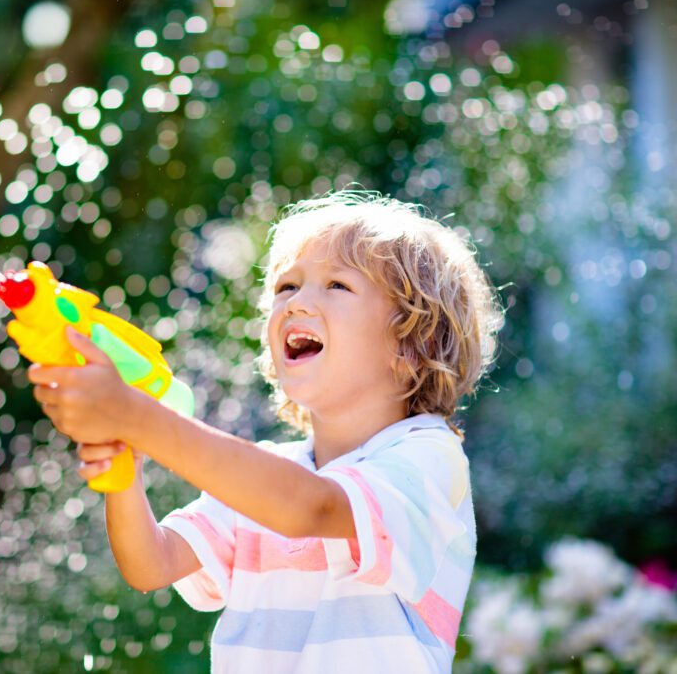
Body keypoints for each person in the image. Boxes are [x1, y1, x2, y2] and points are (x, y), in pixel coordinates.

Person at [27, 189, 502, 672]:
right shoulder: (267, 474)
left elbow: (309, 507)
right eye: (286, 287)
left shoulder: (429, 459)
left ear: (411, 345)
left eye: (336, 285)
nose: (296, 303)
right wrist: (126, 462)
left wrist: (137, 416)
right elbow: (152, 564)